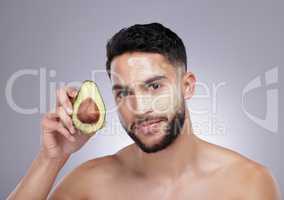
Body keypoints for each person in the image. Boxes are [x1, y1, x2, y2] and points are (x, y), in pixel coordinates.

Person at [7, 23, 281, 200]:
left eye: (154, 86)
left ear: (187, 86)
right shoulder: (89, 185)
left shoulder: (248, 183)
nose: (139, 109)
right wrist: (51, 159)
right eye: (123, 92)